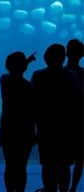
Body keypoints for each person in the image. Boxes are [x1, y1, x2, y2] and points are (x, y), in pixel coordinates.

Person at [31, 43, 81, 192]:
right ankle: (64, 190)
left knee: (48, 165)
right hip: (66, 128)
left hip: (45, 128)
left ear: (47, 57)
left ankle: (49, 189)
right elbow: (78, 100)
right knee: (64, 165)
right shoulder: (71, 76)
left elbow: (32, 101)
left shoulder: (38, 75)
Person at [0, 51, 36, 192]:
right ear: (24, 68)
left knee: (9, 165)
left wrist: (26, 62)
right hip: (25, 131)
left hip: (8, 129)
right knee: (21, 166)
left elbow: (13, 72)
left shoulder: (4, 80)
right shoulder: (29, 86)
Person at [65, 39, 84, 192]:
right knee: (80, 159)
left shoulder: (60, 73)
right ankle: (73, 188)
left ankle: (60, 187)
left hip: (61, 122)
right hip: (80, 121)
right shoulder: (83, 74)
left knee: (61, 158)